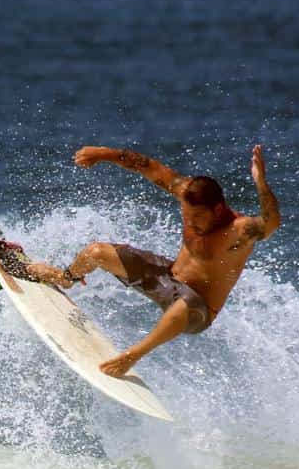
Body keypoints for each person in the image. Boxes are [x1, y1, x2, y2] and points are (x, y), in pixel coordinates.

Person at [25, 144, 280, 378]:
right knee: (96, 252)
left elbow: (271, 222)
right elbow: (148, 166)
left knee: (183, 304)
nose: (191, 223)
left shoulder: (238, 231)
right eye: (187, 215)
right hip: (166, 278)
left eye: (198, 218)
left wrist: (260, 181)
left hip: (197, 311)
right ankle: (64, 278)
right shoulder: (186, 192)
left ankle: (131, 356)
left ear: (217, 209)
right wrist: (104, 154)